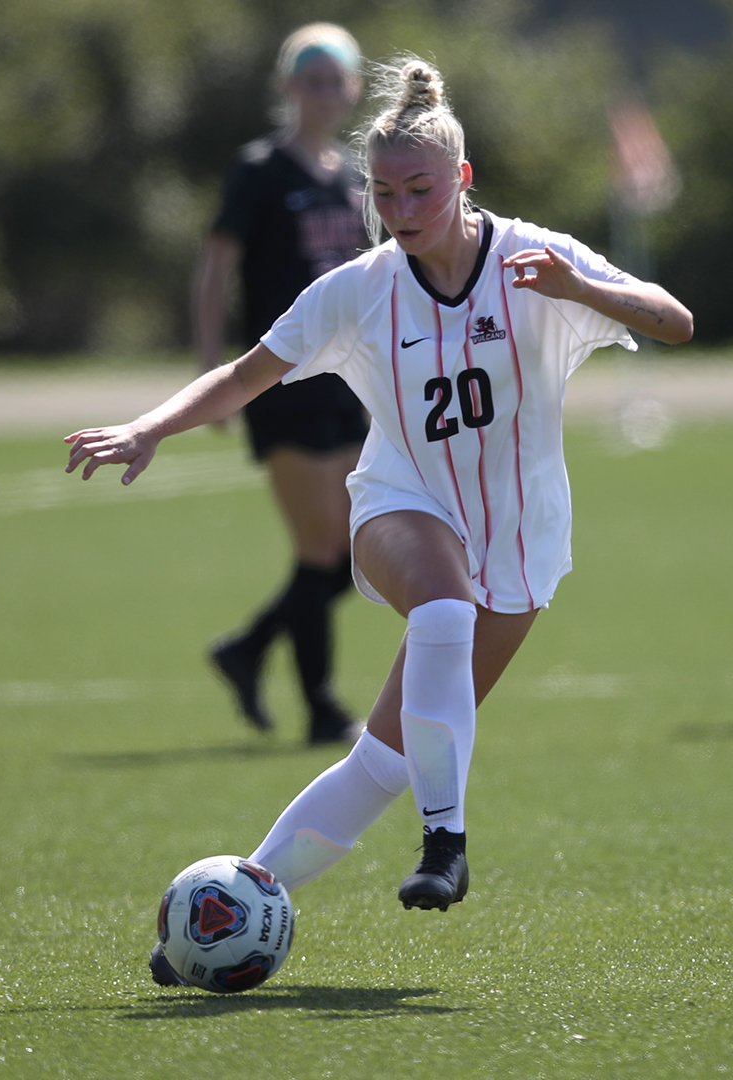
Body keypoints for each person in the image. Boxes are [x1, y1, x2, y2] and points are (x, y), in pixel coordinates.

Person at [63, 57, 692, 981]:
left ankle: (228, 903)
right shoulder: (359, 289)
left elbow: (674, 320)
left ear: (462, 180)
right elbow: (245, 373)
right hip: (403, 505)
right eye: (385, 191)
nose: (401, 208)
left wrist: (582, 289)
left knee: (387, 759)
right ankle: (447, 844)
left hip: (521, 538)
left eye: (421, 190)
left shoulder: (531, 259)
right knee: (443, 607)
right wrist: (148, 427)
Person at [195, 24, 372, 746]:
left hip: (351, 382)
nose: (326, 92)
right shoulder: (260, 170)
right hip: (284, 379)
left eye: (338, 79)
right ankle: (323, 707)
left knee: (362, 547)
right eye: (313, 77)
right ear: (288, 86)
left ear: (355, 88)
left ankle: (250, 645)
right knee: (321, 545)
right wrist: (213, 371)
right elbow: (215, 271)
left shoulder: (359, 174)